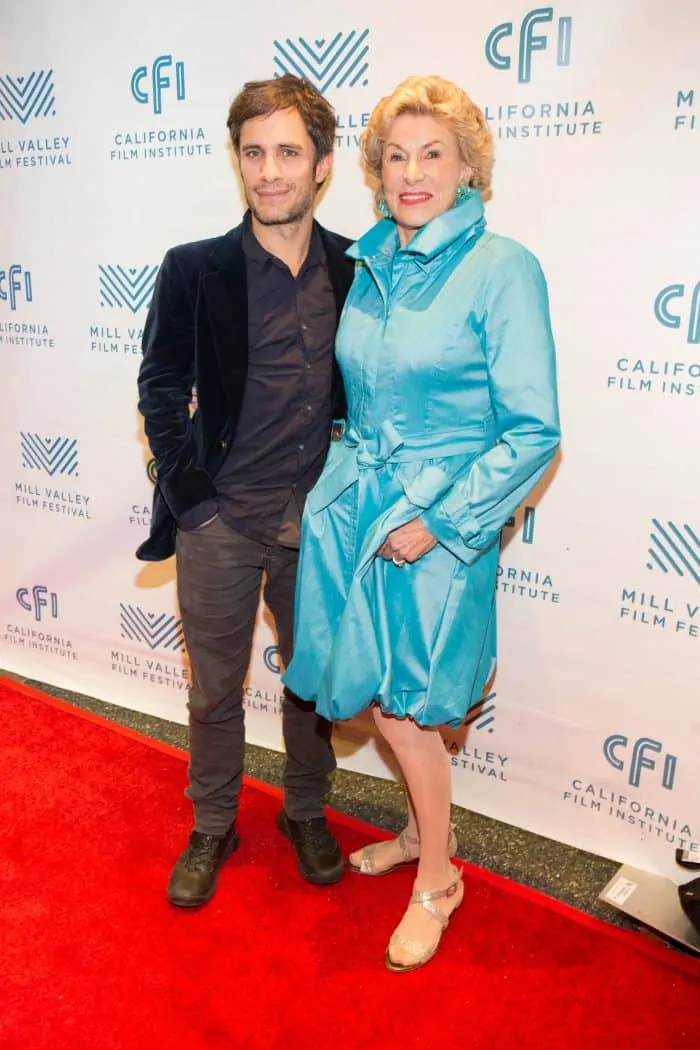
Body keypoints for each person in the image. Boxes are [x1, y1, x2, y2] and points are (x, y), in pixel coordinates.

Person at [284, 75, 561, 971]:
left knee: (409, 708)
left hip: (434, 527)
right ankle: (417, 833)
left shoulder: (502, 267)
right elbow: (364, 394)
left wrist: (440, 520)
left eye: (432, 154)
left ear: (468, 165)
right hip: (358, 505)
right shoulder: (375, 265)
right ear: (374, 170)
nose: (412, 173)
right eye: (396, 156)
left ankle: (439, 877)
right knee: (374, 687)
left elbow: (533, 429)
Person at [137, 75, 355, 907]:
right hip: (220, 520)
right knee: (213, 687)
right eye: (254, 152)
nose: (269, 171)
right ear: (238, 161)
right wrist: (192, 499)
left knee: (314, 681)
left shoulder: (356, 268)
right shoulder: (196, 269)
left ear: (322, 165)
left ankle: (304, 811)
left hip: (319, 524)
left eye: (288, 153)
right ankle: (213, 821)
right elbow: (160, 386)